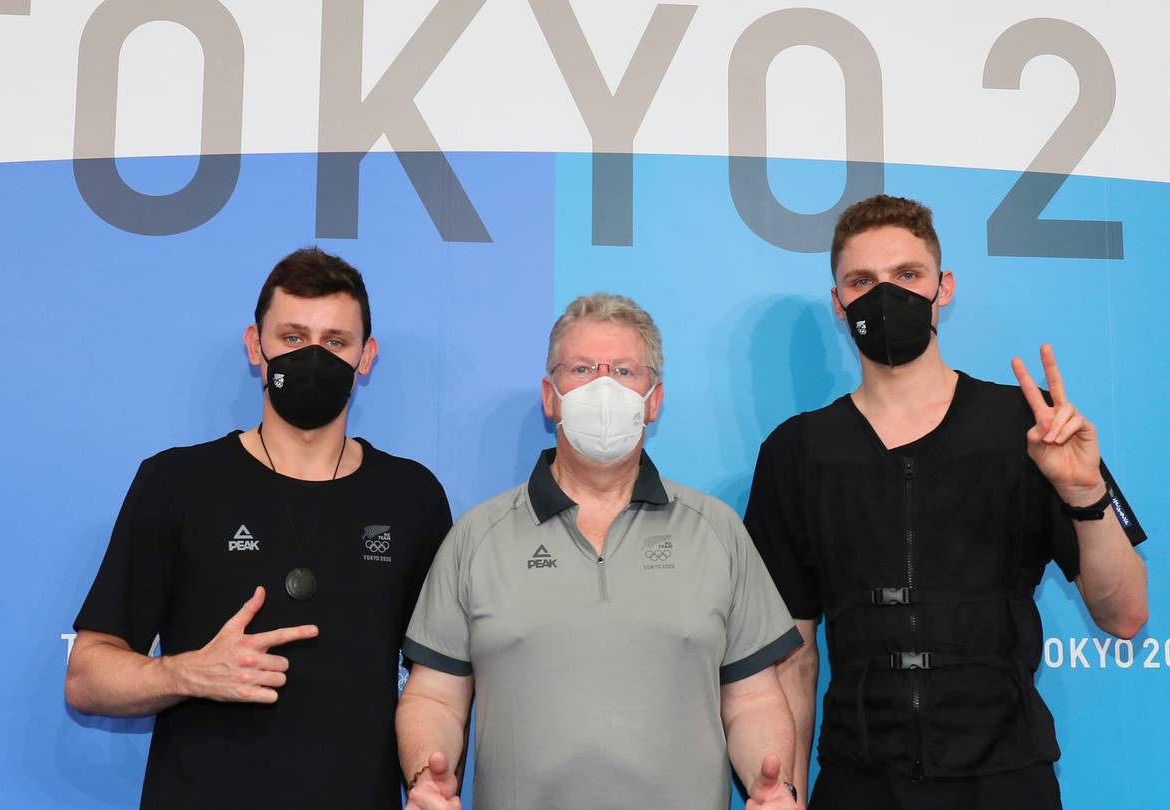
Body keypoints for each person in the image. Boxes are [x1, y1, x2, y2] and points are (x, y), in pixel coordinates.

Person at [744, 195, 1148, 809]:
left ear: (944, 287)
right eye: (862, 281)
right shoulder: (796, 452)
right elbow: (791, 659)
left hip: (1007, 778)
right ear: (838, 303)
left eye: (907, 275)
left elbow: (1125, 615)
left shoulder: (1032, 426)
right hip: (859, 781)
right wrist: (789, 793)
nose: (886, 295)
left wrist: (1084, 493)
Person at [65, 247, 452, 808]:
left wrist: (423, 778)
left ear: (366, 357)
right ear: (256, 346)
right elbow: (85, 676)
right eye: (293, 338)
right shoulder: (177, 482)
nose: (314, 356)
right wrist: (187, 673)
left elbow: (437, 685)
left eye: (335, 341)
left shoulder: (412, 496)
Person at [395, 293, 804, 810]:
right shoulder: (477, 537)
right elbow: (434, 696)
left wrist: (774, 785)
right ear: (551, 395)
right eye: (583, 368)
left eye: (625, 371)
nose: (604, 387)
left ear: (653, 400)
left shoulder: (716, 531)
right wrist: (425, 773)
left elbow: (753, 699)